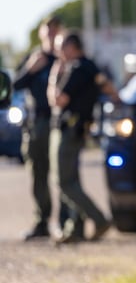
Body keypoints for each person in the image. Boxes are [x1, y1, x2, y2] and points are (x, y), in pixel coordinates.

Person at [13, 16, 83, 241]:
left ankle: (65, 223)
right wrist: (31, 69)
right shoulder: (33, 58)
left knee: (62, 175)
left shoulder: (63, 59)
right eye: (48, 30)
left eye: (55, 30)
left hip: (56, 122)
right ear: (42, 33)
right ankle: (41, 221)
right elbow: (15, 85)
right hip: (35, 123)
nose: (51, 35)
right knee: (37, 174)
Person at [47, 31, 118, 244]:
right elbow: (109, 89)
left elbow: (58, 100)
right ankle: (75, 228)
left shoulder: (76, 69)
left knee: (63, 181)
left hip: (69, 130)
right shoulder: (91, 67)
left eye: (61, 47)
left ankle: (98, 219)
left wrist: (53, 77)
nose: (58, 53)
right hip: (80, 130)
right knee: (73, 180)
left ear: (71, 48)